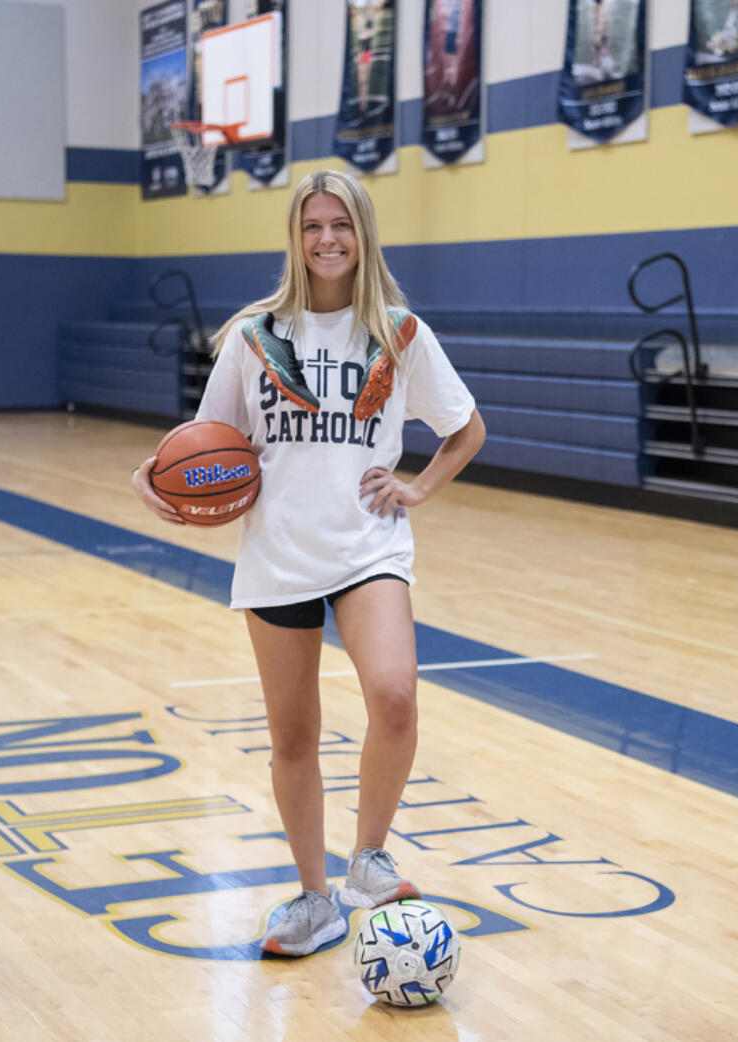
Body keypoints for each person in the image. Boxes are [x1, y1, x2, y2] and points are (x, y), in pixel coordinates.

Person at [131, 169, 486, 957]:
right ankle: (313, 899)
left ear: (364, 234)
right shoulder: (255, 337)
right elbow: (203, 443)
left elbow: (466, 429)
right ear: (295, 238)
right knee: (294, 735)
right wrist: (154, 481)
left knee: (394, 696)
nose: (327, 239)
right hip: (277, 551)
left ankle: (367, 860)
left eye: (342, 225)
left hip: (369, 546)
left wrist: (417, 486)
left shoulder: (399, 332)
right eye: (312, 226)